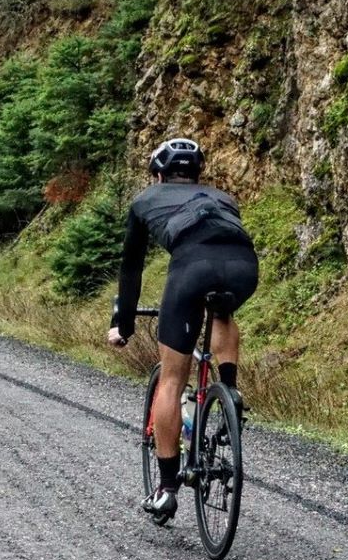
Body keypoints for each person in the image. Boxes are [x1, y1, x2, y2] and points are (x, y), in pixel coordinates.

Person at [107, 138, 259, 525]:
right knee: (221, 311)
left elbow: (131, 270)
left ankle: (167, 488)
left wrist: (123, 324)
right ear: (197, 175)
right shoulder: (223, 197)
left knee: (171, 381)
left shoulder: (145, 200)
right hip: (243, 264)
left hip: (191, 266)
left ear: (159, 175)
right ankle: (229, 393)